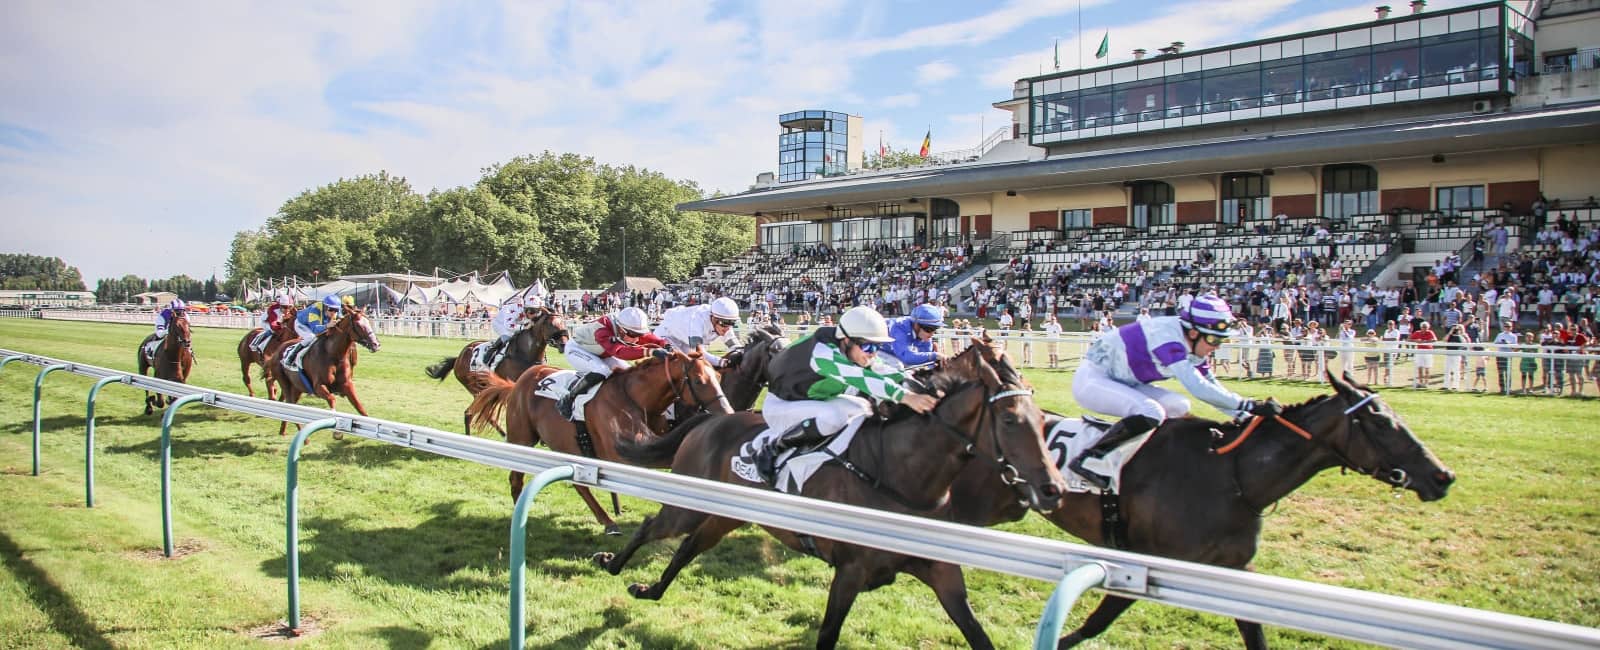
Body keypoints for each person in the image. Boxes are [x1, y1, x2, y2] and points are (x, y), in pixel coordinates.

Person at [1066, 295, 1281, 489]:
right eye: (1215, 340)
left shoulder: (1193, 342)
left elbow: (1212, 386)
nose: (1217, 347)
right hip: (1093, 379)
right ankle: (1089, 459)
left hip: (1125, 381)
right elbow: (1197, 387)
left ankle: (1153, 458)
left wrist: (1246, 416)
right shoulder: (1168, 337)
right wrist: (1249, 404)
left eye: (1221, 340)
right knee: (1152, 411)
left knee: (1179, 406)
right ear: (1195, 332)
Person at [749, 305, 938, 484]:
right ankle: (772, 449)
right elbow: (861, 378)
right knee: (833, 417)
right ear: (847, 340)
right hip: (781, 406)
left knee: (863, 408)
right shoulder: (823, 353)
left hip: (812, 401)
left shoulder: (849, 348)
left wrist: (917, 384)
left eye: (877, 347)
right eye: (868, 347)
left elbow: (882, 369)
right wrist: (906, 397)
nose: (873, 354)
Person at [557, 307, 667, 419]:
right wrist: (649, 351)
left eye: (640, 334)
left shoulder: (625, 327)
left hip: (602, 352)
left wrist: (664, 344)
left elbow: (647, 337)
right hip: (578, 349)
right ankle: (568, 399)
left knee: (627, 372)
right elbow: (619, 352)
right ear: (620, 329)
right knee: (602, 370)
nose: (637, 339)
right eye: (634, 335)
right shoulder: (602, 329)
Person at [654, 296, 742, 368]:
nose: (727, 328)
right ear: (714, 319)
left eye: (732, 323)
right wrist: (721, 362)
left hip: (686, 341)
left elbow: (731, 341)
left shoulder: (723, 321)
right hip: (666, 336)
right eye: (724, 323)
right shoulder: (697, 320)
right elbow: (697, 353)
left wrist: (738, 352)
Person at [480, 295, 543, 370]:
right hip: (501, 324)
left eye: (537, 311)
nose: (535, 315)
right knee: (508, 336)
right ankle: (489, 357)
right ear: (526, 309)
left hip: (516, 323)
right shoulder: (513, 310)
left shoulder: (531, 310)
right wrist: (523, 327)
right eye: (533, 312)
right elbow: (508, 326)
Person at [285, 295, 344, 371]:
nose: (333, 312)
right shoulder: (315, 310)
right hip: (302, 324)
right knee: (311, 337)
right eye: (331, 309)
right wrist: (328, 325)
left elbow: (342, 320)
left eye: (336, 310)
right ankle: (291, 357)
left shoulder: (336, 311)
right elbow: (315, 330)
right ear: (325, 307)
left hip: (316, 325)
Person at [879, 303, 943, 370]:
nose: (932, 334)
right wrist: (935, 355)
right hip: (873, 350)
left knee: (914, 369)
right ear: (916, 325)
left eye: (935, 329)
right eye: (929, 329)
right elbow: (906, 357)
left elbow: (927, 358)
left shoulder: (922, 332)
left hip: (892, 352)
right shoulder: (899, 328)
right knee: (898, 366)